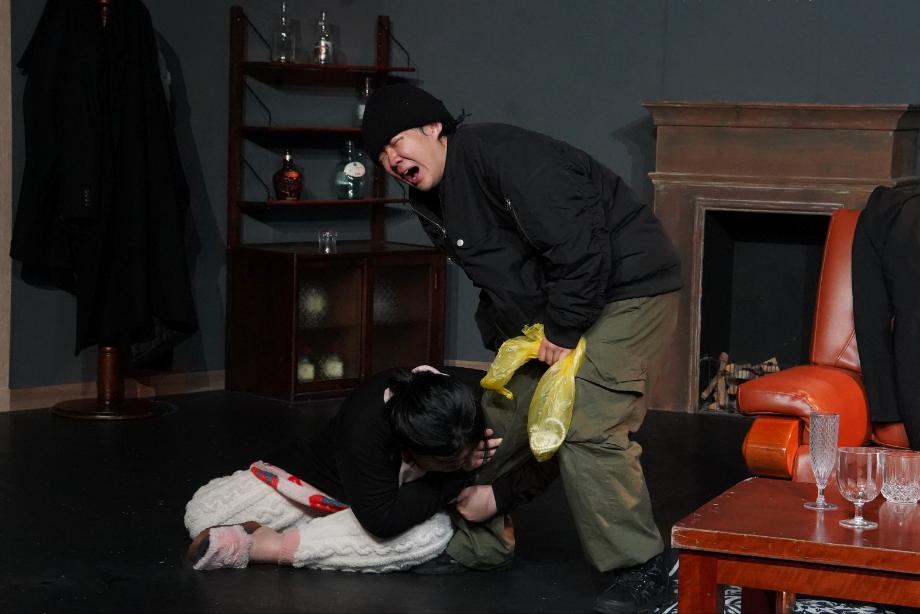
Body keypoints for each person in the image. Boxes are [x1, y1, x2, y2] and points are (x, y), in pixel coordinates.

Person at [361, 84, 682, 614]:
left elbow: (581, 245)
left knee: (587, 420)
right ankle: (479, 546)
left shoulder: (505, 155)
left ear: (434, 128)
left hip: (628, 288)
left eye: (397, 141)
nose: (392, 160)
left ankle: (645, 568)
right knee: (494, 417)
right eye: (381, 156)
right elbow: (501, 277)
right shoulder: (432, 200)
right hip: (559, 305)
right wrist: (511, 346)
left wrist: (562, 329)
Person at [183, 366, 503, 572]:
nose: (465, 459)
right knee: (203, 516)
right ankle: (322, 523)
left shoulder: (459, 406)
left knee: (429, 537)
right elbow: (383, 520)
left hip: (390, 510)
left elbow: (385, 523)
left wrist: (459, 463)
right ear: (411, 448)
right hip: (323, 486)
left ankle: (265, 546)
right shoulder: (367, 429)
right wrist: (457, 476)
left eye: (468, 451)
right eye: (448, 461)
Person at [852, 183, 920, 450]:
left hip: (887, 215)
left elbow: (870, 318)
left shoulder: (884, 211)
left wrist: (886, 409)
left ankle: (888, 408)